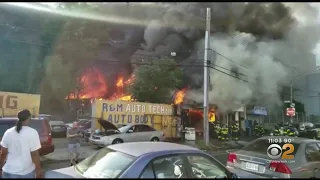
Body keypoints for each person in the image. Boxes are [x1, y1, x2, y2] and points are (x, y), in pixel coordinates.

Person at [0, 109, 42, 178]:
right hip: (25, 173)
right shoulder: (32, 132)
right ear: (29, 118)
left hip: (7, 171)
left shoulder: (8, 132)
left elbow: (3, 153)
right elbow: (34, 154)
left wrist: (0, 166)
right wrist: (38, 170)